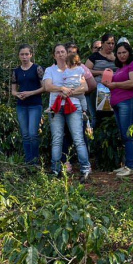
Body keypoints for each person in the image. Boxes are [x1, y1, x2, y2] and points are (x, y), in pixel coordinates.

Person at [43, 44, 92, 182]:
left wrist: (69, 93)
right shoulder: (50, 70)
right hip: (56, 108)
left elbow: (85, 87)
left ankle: (85, 170)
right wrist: (62, 89)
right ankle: (55, 170)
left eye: (62, 51)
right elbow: (48, 86)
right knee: (57, 139)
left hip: (74, 107)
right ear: (54, 55)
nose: (60, 54)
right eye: (57, 52)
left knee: (78, 139)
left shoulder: (78, 69)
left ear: (67, 53)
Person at [108, 42, 133, 177]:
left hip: (130, 102)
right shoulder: (120, 68)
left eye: (124, 52)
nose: (122, 55)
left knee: (130, 134)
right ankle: (128, 164)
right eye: (119, 53)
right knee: (124, 135)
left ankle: (131, 166)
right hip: (119, 103)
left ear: (129, 52)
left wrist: (115, 84)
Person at [11, 45, 45, 166]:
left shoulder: (37, 68)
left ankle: (35, 161)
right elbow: (13, 90)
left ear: (31, 55)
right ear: (19, 56)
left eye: (26, 54)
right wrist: (18, 95)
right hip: (21, 105)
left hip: (35, 105)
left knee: (33, 134)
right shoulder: (16, 71)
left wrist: (31, 93)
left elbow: (44, 87)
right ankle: (28, 161)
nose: (24, 57)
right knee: (25, 134)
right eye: (22, 54)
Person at [85, 34, 118, 126]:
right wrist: (100, 72)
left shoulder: (117, 56)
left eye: (112, 43)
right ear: (102, 44)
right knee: (100, 118)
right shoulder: (94, 56)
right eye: (108, 43)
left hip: (115, 89)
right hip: (98, 91)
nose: (111, 45)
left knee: (113, 117)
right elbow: (85, 71)